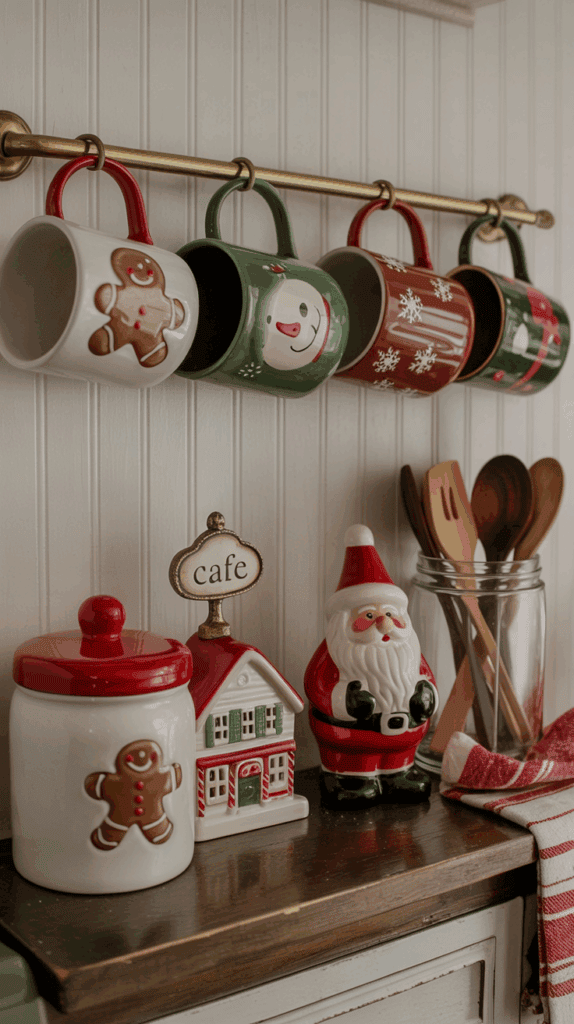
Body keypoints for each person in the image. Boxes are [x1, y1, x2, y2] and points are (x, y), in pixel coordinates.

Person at [305, 524, 438, 808]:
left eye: (390, 613)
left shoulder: (408, 650)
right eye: (368, 614)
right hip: (351, 742)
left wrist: (426, 695)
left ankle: (398, 773)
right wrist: (345, 701)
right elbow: (316, 686)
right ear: (343, 622)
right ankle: (351, 778)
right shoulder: (336, 651)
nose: (384, 623)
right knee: (356, 773)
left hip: (403, 741)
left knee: (400, 766)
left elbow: (425, 677)